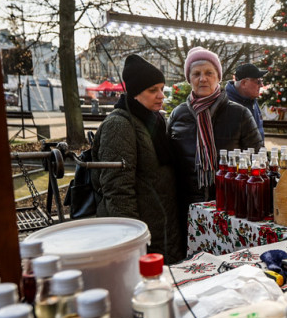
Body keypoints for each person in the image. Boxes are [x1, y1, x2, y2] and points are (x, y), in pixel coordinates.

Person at [92, 54, 183, 262]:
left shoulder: (155, 120)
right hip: (141, 235)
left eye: (161, 88)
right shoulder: (119, 125)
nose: (161, 95)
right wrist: (132, 240)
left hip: (164, 227)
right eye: (153, 90)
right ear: (134, 93)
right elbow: (117, 190)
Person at [168, 46, 264, 203]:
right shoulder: (178, 114)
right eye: (196, 74)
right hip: (186, 204)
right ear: (189, 78)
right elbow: (169, 162)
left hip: (230, 202)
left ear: (218, 77)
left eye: (209, 73)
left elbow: (258, 159)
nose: (202, 78)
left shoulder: (240, 114)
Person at [225, 63, 267, 141]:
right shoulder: (225, 103)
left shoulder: (252, 99)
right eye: (258, 81)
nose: (261, 85)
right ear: (244, 83)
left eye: (261, 80)